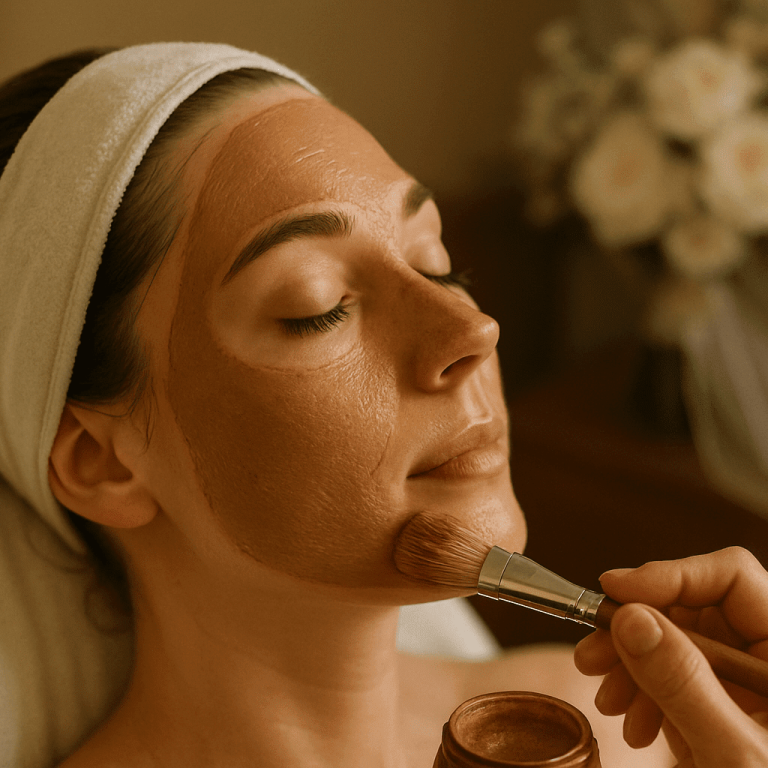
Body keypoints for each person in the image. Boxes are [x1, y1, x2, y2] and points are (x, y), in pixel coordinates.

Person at [0, 42, 763, 768]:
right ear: (103, 460)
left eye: (440, 266)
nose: (473, 329)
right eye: (318, 306)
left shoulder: (626, 726)